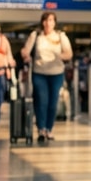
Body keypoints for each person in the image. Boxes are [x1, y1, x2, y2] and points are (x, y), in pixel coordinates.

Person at [21, 11, 73, 143]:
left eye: (51, 20)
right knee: (41, 101)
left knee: (52, 103)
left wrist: (59, 56)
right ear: (42, 22)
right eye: (45, 20)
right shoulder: (36, 35)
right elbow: (25, 50)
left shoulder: (61, 36)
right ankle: (41, 129)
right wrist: (26, 56)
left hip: (56, 73)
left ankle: (49, 129)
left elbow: (69, 54)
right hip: (39, 73)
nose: (48, 23)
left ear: (54, 22)